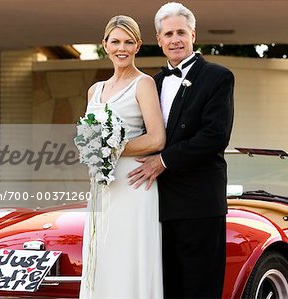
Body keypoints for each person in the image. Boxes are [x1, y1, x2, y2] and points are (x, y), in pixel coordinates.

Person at [128, 2, 235, 298]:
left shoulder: (218, 77)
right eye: (168, 34)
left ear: (193, 35)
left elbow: (215, 136)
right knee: (166, 287)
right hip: (157, 204)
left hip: (198, 202)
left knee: (199, 287)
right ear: (159, 40)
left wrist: (163, 160)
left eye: (181, 32)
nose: (175, 39)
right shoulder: (152, 83)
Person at [79, 15, 165, 299]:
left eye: (129, 42)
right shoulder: (95, 90)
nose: (122, 48)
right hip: (103, 188)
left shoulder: (144, 84)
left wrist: (109, 146)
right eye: (115, 41)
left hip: (134, 184)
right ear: (105, 45)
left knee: (129, 257)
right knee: (102, 256)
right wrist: (94, 148)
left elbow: (156, 138)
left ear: (138, 45)